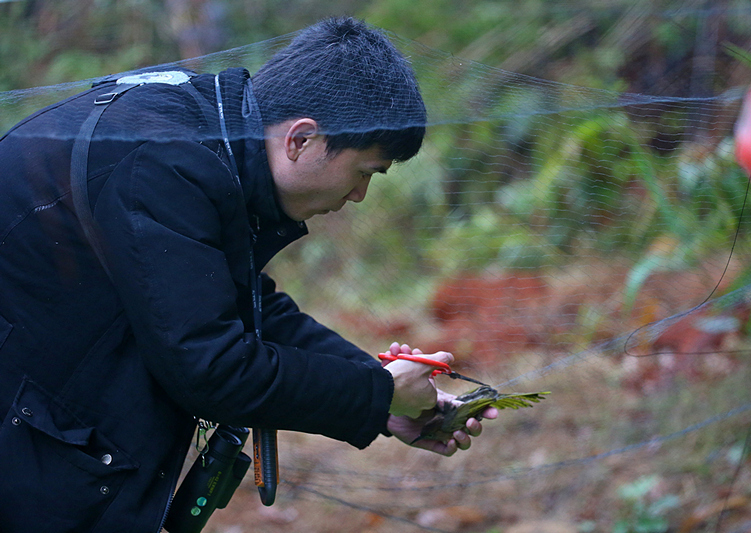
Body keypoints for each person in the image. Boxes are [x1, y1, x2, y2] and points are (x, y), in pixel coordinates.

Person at [0, 16, 496, 532]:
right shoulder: (164, 161)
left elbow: (238, 302)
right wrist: (377, 390)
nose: (358, 197)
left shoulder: (206, 134)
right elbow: (210, 368)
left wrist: (380, 398)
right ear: (301, 140)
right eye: (364, 173)